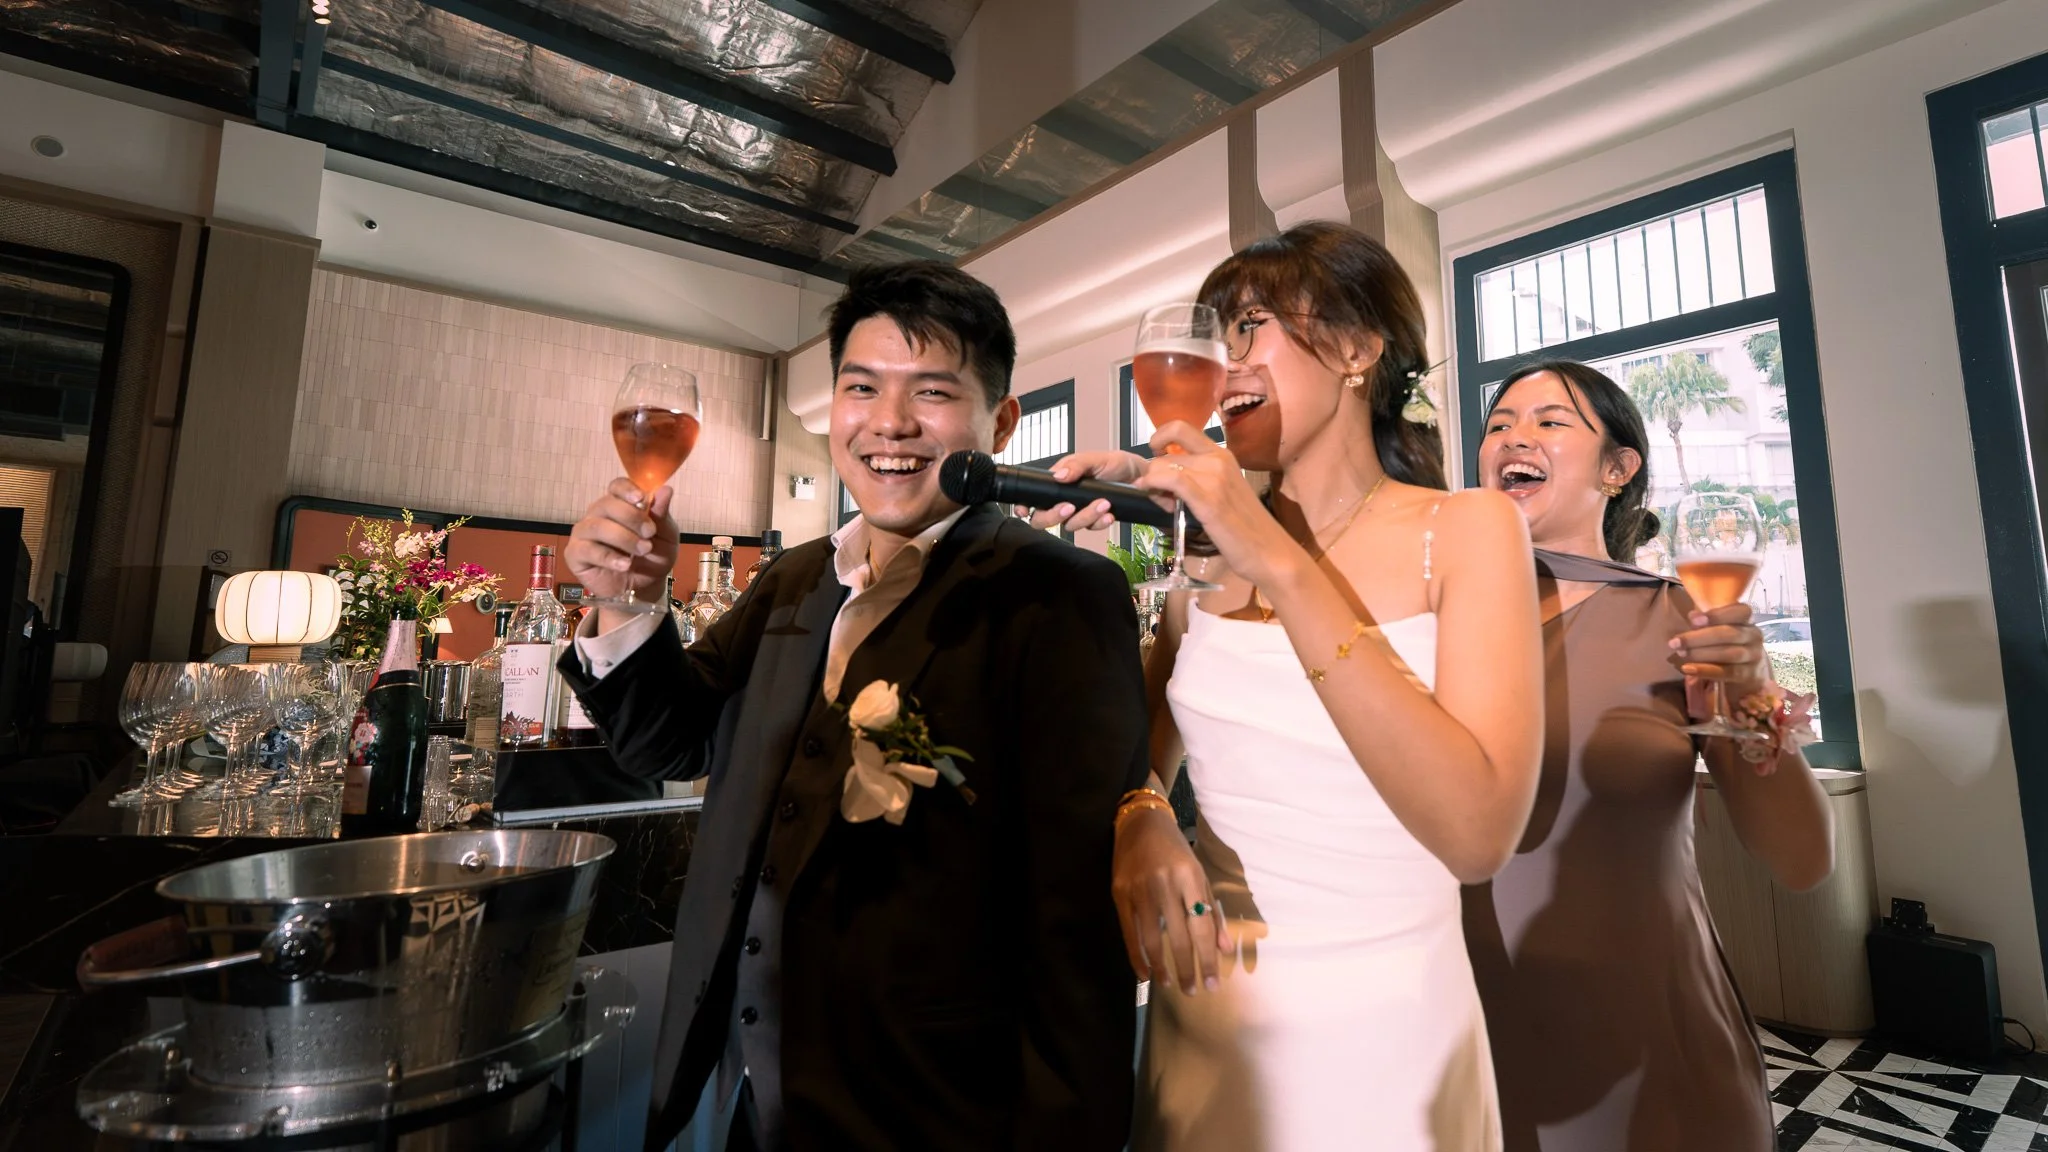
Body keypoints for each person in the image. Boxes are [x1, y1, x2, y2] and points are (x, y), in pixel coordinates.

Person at [559, 262, 1148, 1151]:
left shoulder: (1060, 594)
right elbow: (663, 744)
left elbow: (1076, 928)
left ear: (999, 422)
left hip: (933, 1110)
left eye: (933, 393)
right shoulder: (795, 578)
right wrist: (630, 602)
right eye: (861, 388)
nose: (891, 425)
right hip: (748, 1095)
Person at [1036, 221, 1545, 1151]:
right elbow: (1135, 756)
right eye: (1217, 335)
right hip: (1209, 1020)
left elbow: (1478, 835)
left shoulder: (1467, 530)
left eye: (1251, 327)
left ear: (1355, 349)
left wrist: (1264, 546)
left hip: (1390, 1039)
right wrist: (1143, 815)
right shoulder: (1205, 559)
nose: (1222, 361)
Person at [1465, 360, 1832, 1151]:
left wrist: (1755, 695)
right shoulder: (1431, 621)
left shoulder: (1685, 623)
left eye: (1550, 421)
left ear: (1618, 468)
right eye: (1498, 424)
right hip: (1460, 1040)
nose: (1512, 437)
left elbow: (1803, 861)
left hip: (1649, 1047)